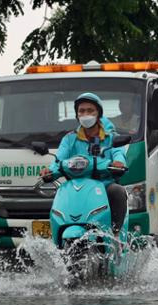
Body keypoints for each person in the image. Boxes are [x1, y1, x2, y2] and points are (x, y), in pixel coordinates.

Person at [40, 92, 128, 235]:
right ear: (77, 115)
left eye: (90, 110)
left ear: (98, 113)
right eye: (81, 111)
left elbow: (118, 153)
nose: (85, 114)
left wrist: (118, 162)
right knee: (60, 194)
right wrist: (49, 171)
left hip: (103, 185)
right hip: (76, 185)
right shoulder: (69, 139)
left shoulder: (110, 137)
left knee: (117, 191)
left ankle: (115, 235)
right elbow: (58, 160)